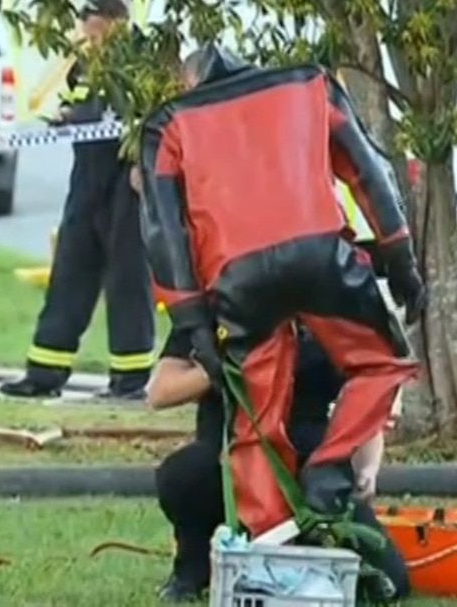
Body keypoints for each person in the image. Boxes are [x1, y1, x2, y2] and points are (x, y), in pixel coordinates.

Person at [137, 44, 425, 542]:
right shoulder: (310, 86)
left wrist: (192, 321)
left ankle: (269, 544)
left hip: (237, 276)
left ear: (190, 84)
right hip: (320, 255)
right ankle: (328, 470)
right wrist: (400, 258)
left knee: (254, 423)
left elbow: (164, 230)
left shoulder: (171, 124)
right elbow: (367, 172)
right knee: (382, 363)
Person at [150, 324, 410, 603]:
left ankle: (308, 563)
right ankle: (194, 568)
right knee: (186, 473)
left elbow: (363, 400)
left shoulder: (330, 311)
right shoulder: (216, 310)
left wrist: (368, 468)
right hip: (227, 467)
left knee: (392, 583)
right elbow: (161, 392)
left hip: (312, 477)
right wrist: (218, 368)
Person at [1, 0, 156, 400]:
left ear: (115, 22)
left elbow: (155, 117)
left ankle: (130, 378)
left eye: (95, 28)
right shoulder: (83, 64)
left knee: (127, 278)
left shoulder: (143, 60)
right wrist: (68, 119)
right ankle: (45, 372)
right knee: (70, 271)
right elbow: (83, 107)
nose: (89, 37)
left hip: (128, 181)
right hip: (87, 178)